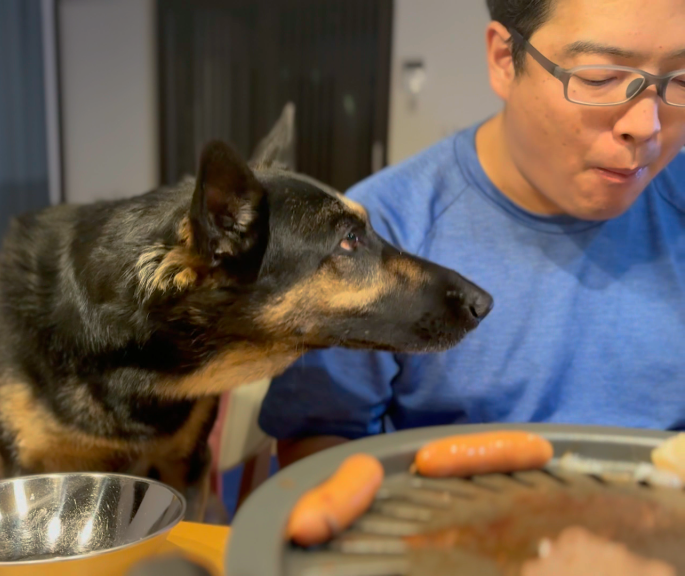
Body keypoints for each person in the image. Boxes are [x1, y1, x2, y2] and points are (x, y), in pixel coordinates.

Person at [260, 0, 685, 469]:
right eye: (600, 78)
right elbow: (317, 445)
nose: (646, 126)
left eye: (681, 80)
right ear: (505, 60)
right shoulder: (381, 232)